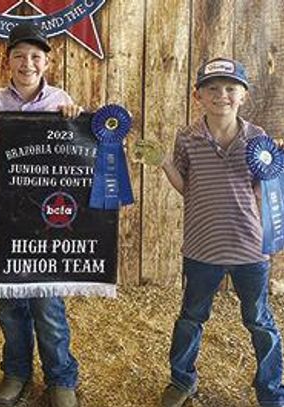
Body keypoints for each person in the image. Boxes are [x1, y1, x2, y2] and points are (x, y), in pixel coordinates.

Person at [137, 57, 284, 407]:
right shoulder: (187, 138)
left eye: (231, 89)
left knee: (260, 322)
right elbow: (187, 187)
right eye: (212, 89)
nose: (222, 96)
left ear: (243, 96)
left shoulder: (258, 139)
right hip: (201, 247)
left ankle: (271, 391)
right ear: (197, 95)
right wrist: (164, 164)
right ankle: (182, 380)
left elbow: (263, 193)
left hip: (250, 248)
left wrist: (276, 172)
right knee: (191, 317)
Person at [0, 23, 82, 407]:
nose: (28, 63)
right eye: (20, 55)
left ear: (47, 61)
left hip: (48, 213)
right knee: (11, 298)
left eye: (36, 56)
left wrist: (73, 121)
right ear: (7, 61)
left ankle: (60, 377)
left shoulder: (62, 99)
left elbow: (76, 158)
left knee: (47, 298)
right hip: (3, 209)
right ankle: (16, 372)